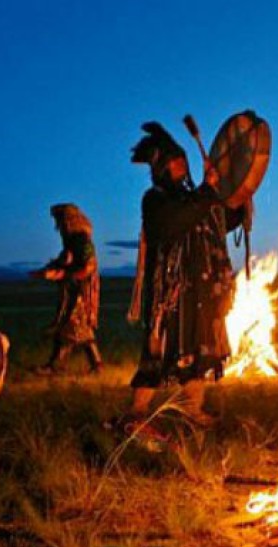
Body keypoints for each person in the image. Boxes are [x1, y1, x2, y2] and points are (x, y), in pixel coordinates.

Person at [121, 122, 246, 450]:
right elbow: (175, 223)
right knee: (157, 353)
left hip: (198, 294)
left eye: (183, 160)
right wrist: (206, 191)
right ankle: (136, 412)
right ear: (162, 167)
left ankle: (193, 409)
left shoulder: (194, 198)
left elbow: (216, 219)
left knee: (197, 349)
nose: (183, 166)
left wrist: (237, 196)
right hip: (170, 296)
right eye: (175, 162)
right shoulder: (155, 200)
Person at [30, 203, 102, 375]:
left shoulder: (82, 240)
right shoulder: (72, 242)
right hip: (74, 288)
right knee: (82, 329)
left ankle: (56, 366)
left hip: (81, 290)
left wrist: (64, 274)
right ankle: (97, 365)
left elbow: (88, 267)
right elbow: (65, 261)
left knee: (69, 325)